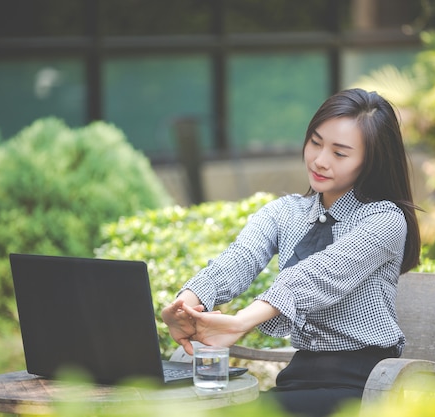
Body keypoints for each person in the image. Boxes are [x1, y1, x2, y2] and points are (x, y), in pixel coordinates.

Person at [161, 88, 421, 417]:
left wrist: (241, 322)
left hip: (363, 386)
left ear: (371, 162)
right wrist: (189, 300)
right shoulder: (285, 212)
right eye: (315, 142)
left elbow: (318, 275)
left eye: (340, 154)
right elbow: (240, 257)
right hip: (298, 378)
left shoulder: (385, 220)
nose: (320, 160)